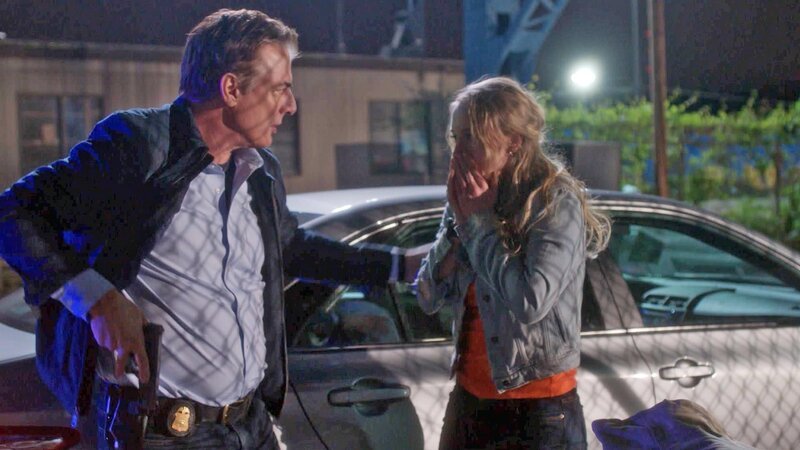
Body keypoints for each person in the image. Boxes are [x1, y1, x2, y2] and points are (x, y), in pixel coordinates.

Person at [0, 9, 421, 449]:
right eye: (280, 88)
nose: (291, 105)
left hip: (250, 425)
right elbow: (13, 212)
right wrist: (98, 300)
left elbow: (292, 248)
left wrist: (400, 265)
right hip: (164, 433)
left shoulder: (261, 171)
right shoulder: (141, 145)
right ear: (232, 89)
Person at [414, 76, 611, 449]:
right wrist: (458, 229)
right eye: (455, 137)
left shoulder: (553, 202)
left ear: (513, 142)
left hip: (537, 409)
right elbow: (427, 296)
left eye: (471, 137)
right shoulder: (469, 198)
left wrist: (479, 223)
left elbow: (530, 302)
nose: (458, 151)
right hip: (470, 400)